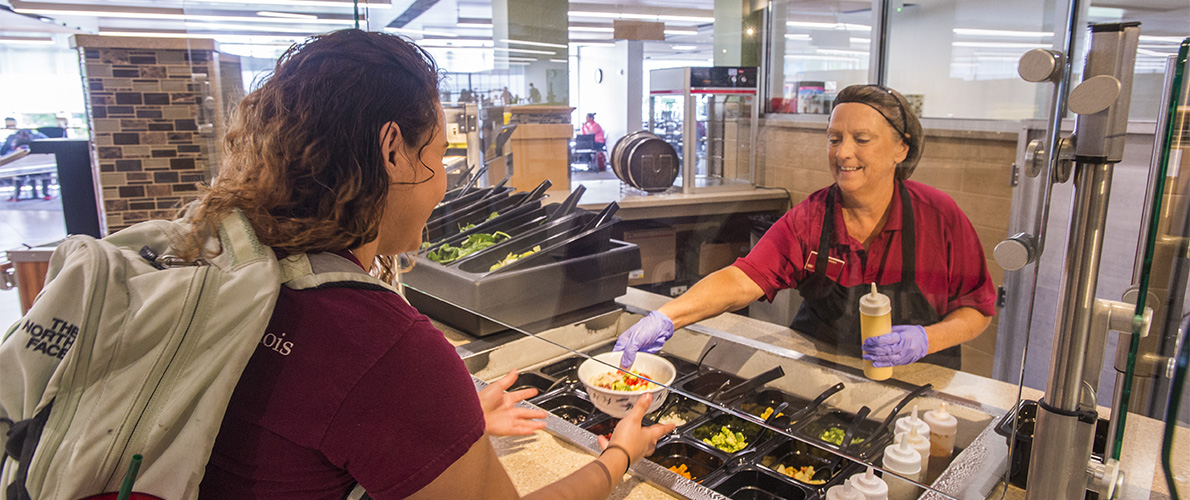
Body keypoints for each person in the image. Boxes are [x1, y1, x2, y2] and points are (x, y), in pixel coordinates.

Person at [191, 30, 672, 500]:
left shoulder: (240, 267)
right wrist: (620, 457)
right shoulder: (385, 348)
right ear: (393, 151)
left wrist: (443, 426)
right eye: (441, 155)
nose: (443, 182)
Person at [614, 84, 995, 372]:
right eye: (834, 139)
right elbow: (742, 278)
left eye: (861, 140)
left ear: (902, 149)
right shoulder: (811, 218)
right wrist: (667, 316)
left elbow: (976, 309)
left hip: (923, 387)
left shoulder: (938, 215)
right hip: (827, 379)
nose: (843, 153)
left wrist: (927, 338)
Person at [2, 128, 51, 201]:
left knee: (43, 173)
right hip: (24, 164)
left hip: (35, 163)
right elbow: (3, 151)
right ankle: (17, 195)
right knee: (19, 176)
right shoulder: (12, 138)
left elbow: (49, 147)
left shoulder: (38, 136)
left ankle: (45, 194)